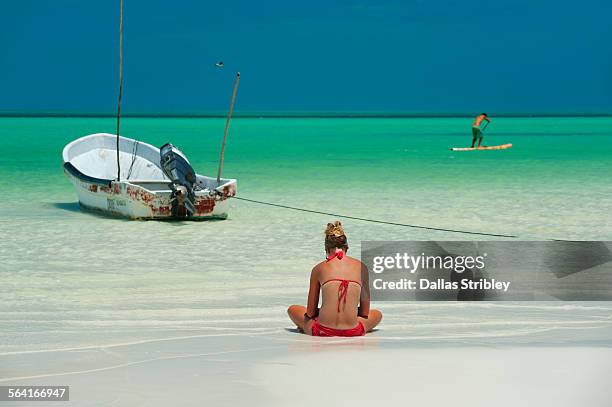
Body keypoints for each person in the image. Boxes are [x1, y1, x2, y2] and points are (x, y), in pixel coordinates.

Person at [287, 221, 382, 336]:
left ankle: (307, 327)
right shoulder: (362, 267)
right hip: (353, 331)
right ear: (346, 247)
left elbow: (311, 312)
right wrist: (349, 309)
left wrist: (322, 311)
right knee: (377, 314)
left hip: (322, 330)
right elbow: (364, 312)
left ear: (326, 248)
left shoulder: (319, 268)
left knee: (292, 309)